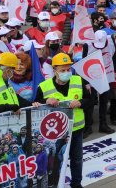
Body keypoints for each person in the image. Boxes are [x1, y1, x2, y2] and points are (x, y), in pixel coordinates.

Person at [35, 53, 88, 188]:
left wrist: (80, 102)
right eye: (62, 70)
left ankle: (76, 184)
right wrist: (45, 101)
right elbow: (35, 104)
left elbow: (91, 100)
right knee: (54, 160)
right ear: (54, 70)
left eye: (68, 69)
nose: (66, 72)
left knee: (76, 160)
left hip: (76, 130)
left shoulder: (78, 80)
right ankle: (54, 183)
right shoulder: (44, 86)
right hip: (55, 135)